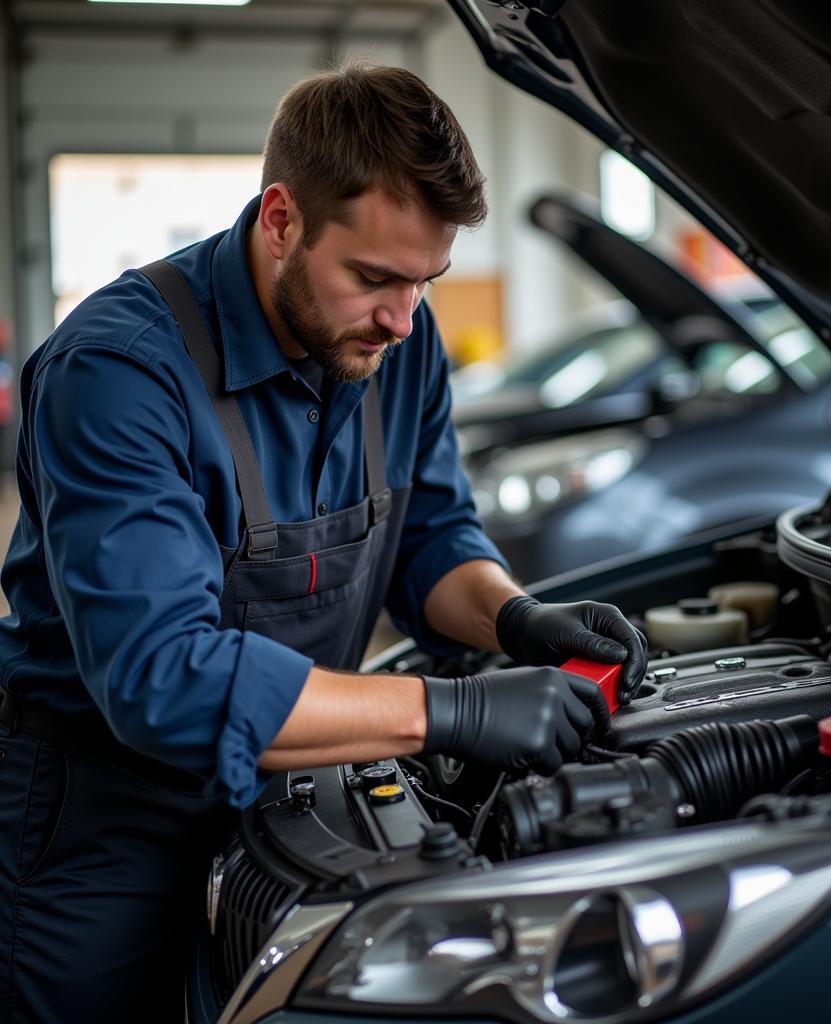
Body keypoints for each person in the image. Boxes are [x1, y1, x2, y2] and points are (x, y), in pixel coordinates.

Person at [0, 62, 647, 1024]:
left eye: (426, 281)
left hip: (297, 787)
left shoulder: (399, 341)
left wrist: (515, 618)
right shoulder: (120, 372)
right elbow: (161, 678)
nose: (402, 317)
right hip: (103, 816)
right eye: (374, 278)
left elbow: (431, 536)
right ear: (279, 220)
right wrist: (452, 711)